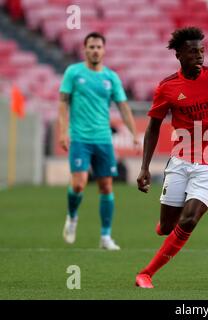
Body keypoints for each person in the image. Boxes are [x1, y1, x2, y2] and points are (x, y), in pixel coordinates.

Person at [135, 27, 208, 288]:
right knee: (167, 227)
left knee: (189, 219)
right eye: (192, 52)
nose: (199, 56)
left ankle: (146, 274)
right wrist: (144, 168)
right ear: (178, 55)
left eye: (201, 51)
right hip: (182, 157)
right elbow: (153, 126)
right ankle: (165, 226)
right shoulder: (167, 87)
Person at [58, 32, 139, 250]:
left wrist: (133, 134)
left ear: (104, 50)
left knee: (105, 186)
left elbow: (123, 106)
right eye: (91, 46)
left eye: (98, 47)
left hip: (103, 140)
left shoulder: (111, 77)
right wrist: (63, 132)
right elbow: (63, 103)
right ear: (84, 49)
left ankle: (105, 237)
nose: (95, 50)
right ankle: (72, 217)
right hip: (80, 138)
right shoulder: (73, 73)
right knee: (79, 183)